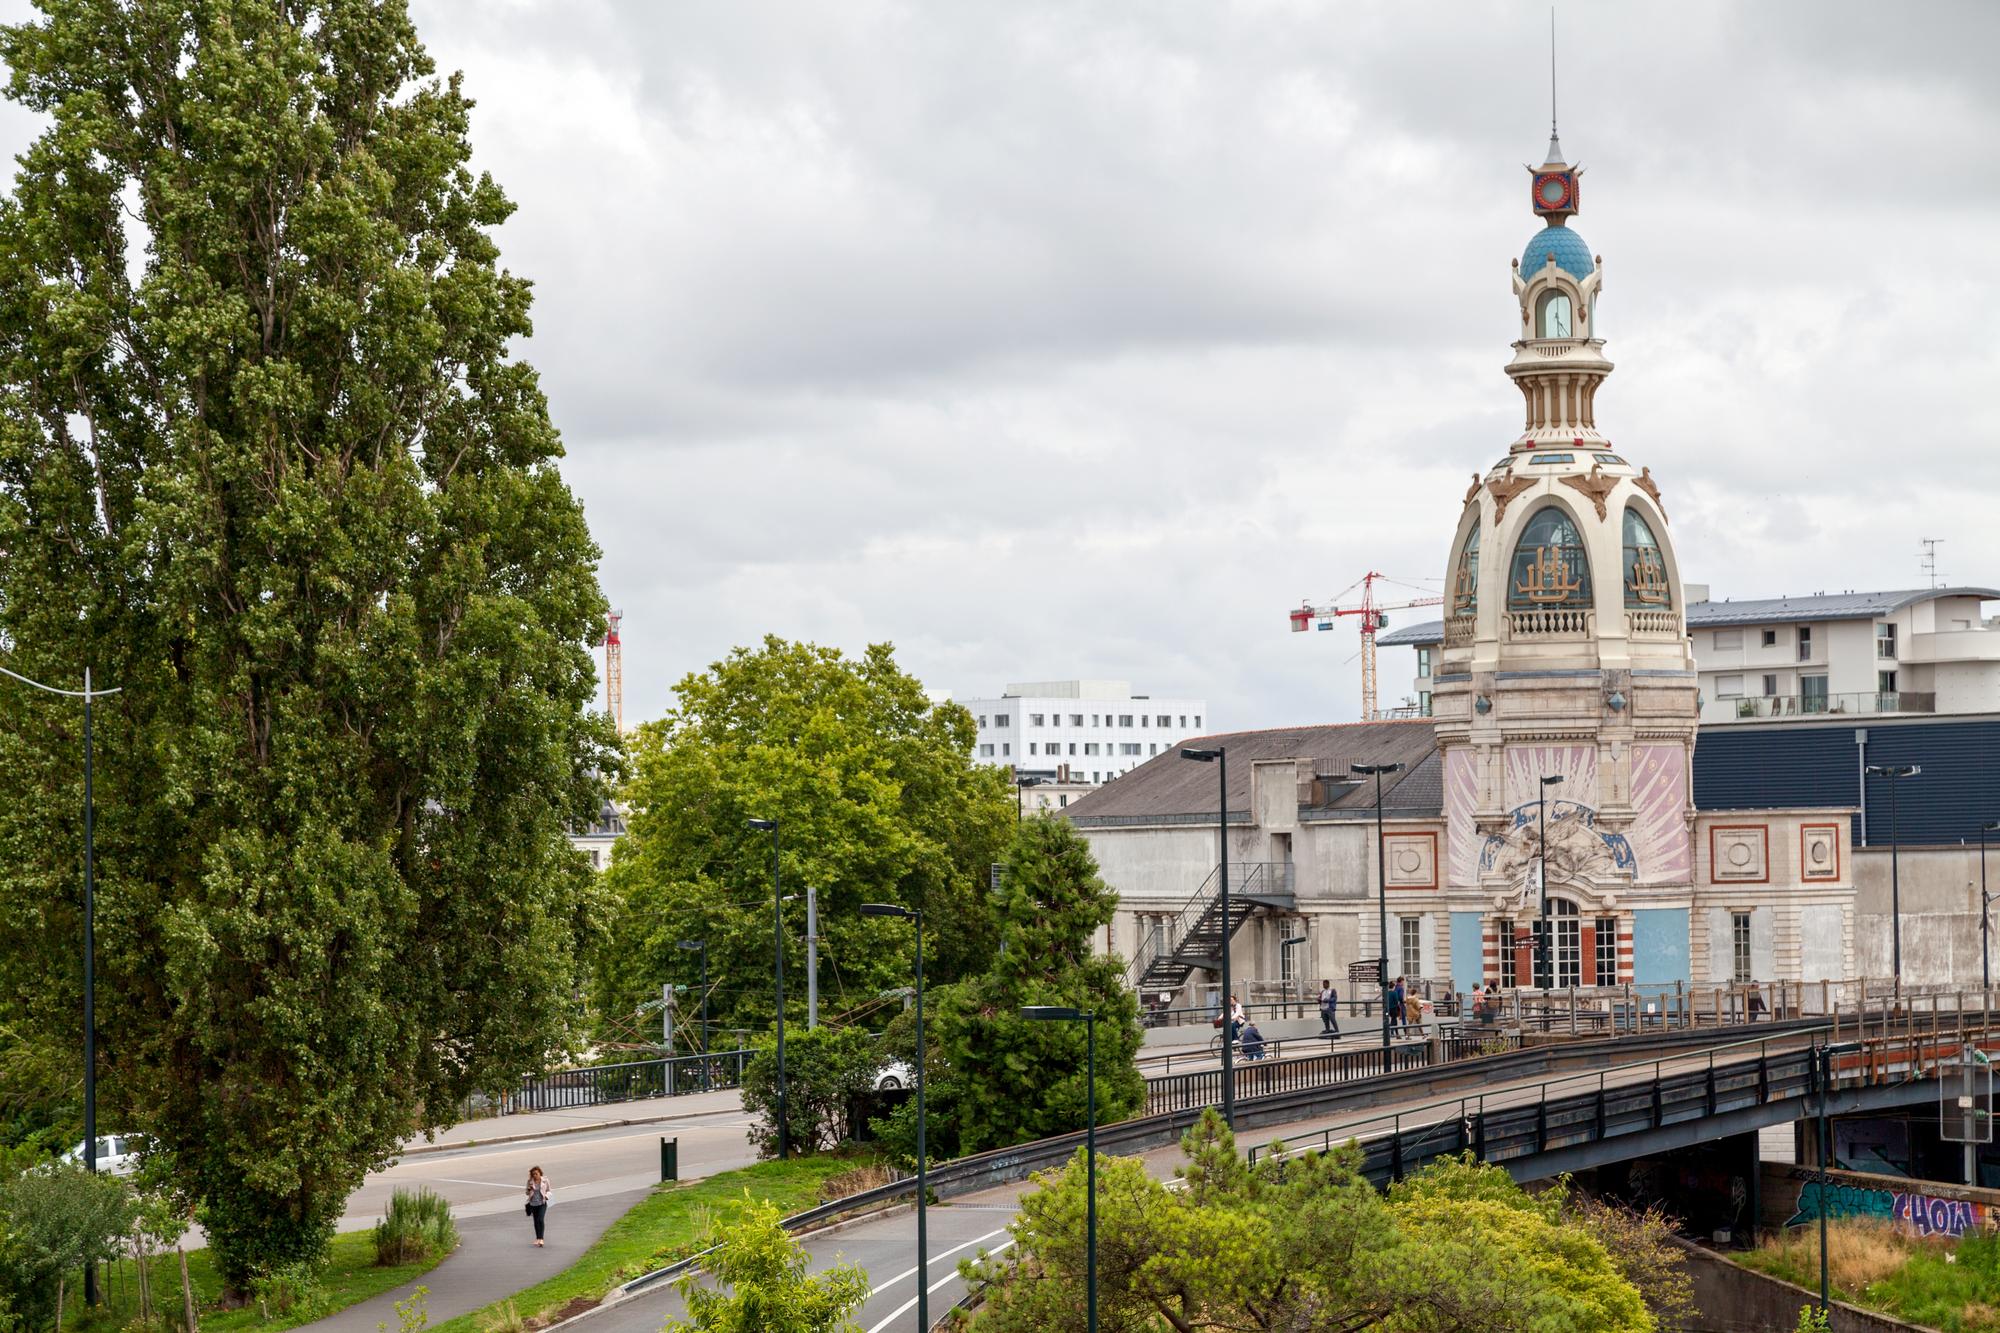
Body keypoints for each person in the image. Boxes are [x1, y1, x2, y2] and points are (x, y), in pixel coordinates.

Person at [525, 1166, 552, 1247]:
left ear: (540, 1173)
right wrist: (529, 1190)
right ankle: (537, 1238)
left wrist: (547, 1196)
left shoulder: (545, 1180)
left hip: (542, 1203)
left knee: (540, 1219)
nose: (535, 1175)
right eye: (533, 1174)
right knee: (536, 1221)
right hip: (533, 1204)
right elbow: (526, 1192)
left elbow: (549, 1190)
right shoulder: (530, 1181)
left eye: (536, 1174)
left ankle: (541, 1239)